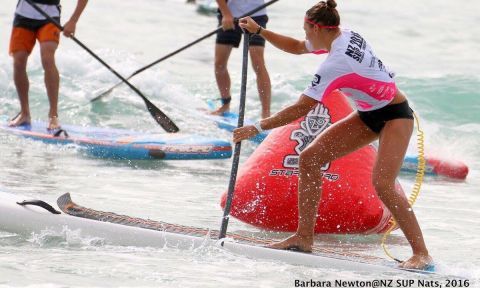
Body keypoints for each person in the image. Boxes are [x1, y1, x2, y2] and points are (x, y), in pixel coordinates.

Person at [233, 0, 433, 270]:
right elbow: (295, 47)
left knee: (383, 184)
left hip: (395, 116)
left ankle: (421, 253)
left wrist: (257, 127)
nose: (305, 37)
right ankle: (304, 238)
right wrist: (260, 31)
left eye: (306, 31)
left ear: (317, 29)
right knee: (310, 158)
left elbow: (302, 107)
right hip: (368, 113)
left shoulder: (336, 63)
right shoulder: (343, 34)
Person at [8, 0, 88, 130]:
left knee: (47, 58)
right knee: (18, 62)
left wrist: (73, 21)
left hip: (49, 17)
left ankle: (53, 116)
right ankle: (25, 113)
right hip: (23, 15)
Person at [212, 0, 272, 119]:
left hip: (257, 16)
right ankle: (225, 104)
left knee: (258, 64)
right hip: (230, 15)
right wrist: (226, 14)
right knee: (219, 64)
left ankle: (266, 114)